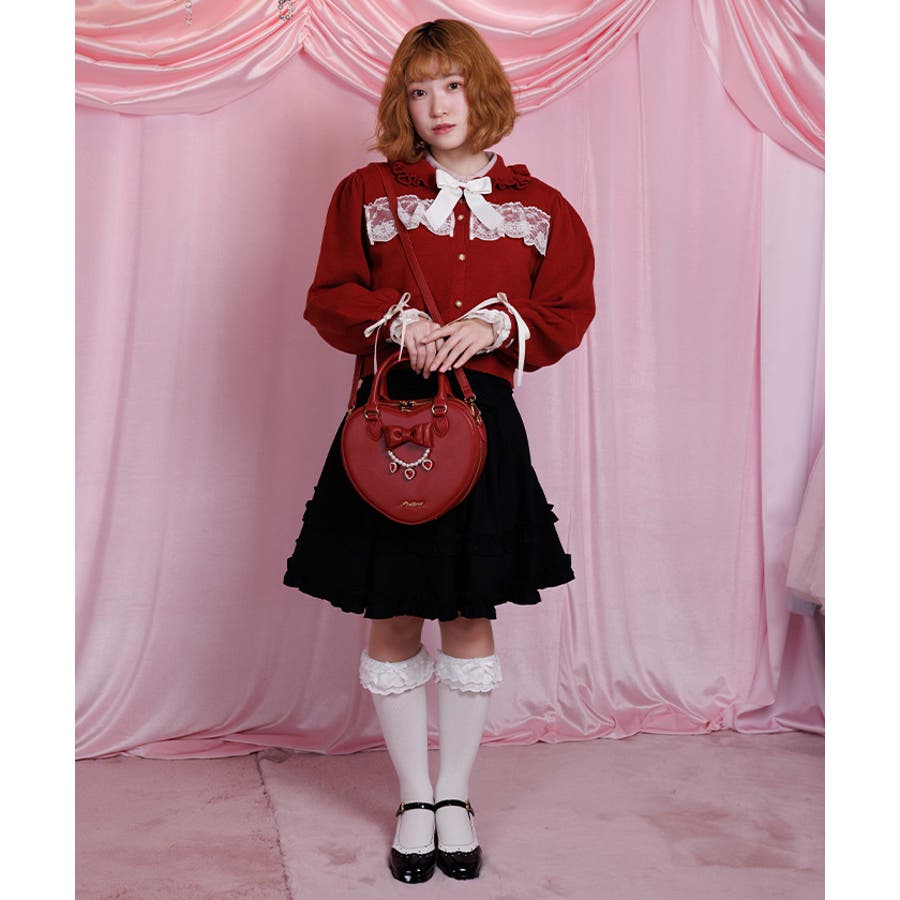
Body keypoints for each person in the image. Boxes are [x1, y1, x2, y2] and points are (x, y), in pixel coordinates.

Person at [283, 19, 595, 884]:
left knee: (468, 613)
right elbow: (329, 295)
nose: (437, 105)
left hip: (484, 428)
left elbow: (569, 307)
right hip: (389, 427)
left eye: (452, 84)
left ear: (480, 89)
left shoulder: (541, 207)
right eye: (418, 90)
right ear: (403, 104)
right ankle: (413, 799)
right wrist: (402, 321)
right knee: (391, 613)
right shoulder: (366, 193)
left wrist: (494, 327)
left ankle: (455, 796)